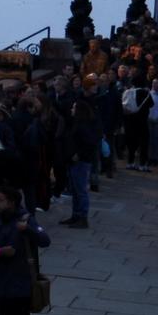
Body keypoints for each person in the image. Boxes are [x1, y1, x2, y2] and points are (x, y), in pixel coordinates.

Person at [63, 93, 99, 227]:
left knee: (80, 190)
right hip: (75, 161)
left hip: (81, 162)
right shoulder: (78, 123)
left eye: (73, 108)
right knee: (76, 191)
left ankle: (83, 217)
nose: (71, 110)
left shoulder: (83, 125)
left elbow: (90, 143)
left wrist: (78, 154)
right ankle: (76, 215)